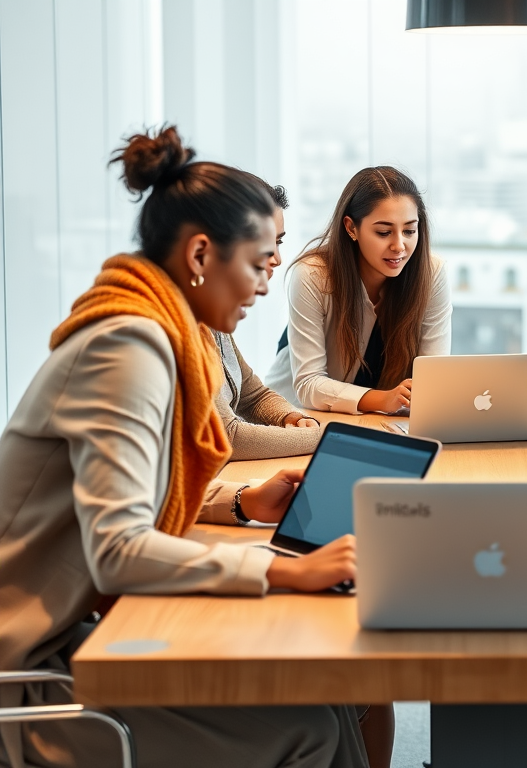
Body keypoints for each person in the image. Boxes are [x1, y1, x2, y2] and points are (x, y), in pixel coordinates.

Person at [0, 126, 370, 768]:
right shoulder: (127, 349)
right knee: (310, 727)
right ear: (201, 255)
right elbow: (118, 549)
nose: (264, 284)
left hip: (68, 634)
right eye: (257, 262)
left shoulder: (160, 333)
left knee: (331, 703)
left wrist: (241, 504)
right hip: (30, 671)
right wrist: (286, 568)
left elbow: (136, 491)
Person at [265, 167, 452, 414]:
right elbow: (309, 384)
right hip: (298, 416)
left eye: (409, 230)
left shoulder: (432, 273)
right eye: (384, 232)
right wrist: (384, 400)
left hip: (381, 420)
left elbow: (432, 377)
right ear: (351, 228)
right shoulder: (312, 274)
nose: (399, 246)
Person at [211, 177, 322, 460]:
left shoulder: (211, 317)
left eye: (279, 242)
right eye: (266, 243)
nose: (277, 259)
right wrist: (324, 439)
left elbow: (251, 394)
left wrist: (290, 417)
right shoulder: (181, 321)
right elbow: (227, 436)